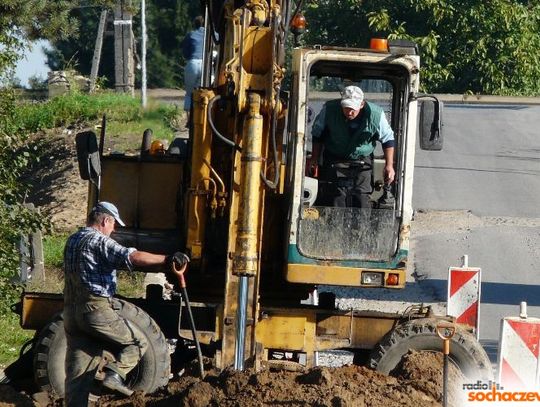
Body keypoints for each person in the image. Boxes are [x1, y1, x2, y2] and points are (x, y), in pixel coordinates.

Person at [63, 201, 188, 405]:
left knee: (79, 375)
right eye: (114, 225)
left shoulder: (73, 239)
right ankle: (113, 375)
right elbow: (132, 257)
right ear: (106, 220)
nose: (114, 230)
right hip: (96, 309)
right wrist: (168, 260)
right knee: (138, 341)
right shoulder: (99, 241)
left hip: (71, 312)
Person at [308, 85, 395, 208]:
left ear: (361, 104)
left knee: (362, 197)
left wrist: (389, 165)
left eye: (352, 108)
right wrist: (314, 158)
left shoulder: (376, 115)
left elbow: (388, 139)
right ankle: (333, 225)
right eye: (346, 107)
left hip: (362, 159)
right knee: (335, 195)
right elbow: (317, 134)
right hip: (334, 157)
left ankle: (363, 226)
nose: (349, 112)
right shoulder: (329, 110)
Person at [181, 16, 205, 127]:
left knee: (189, 93)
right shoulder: (211, 34)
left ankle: (189, 119)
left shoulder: (190, 35)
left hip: (193, 63)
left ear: (194, 24)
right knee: (204, 92)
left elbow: (184, 51)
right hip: (206, 64)